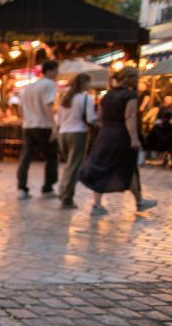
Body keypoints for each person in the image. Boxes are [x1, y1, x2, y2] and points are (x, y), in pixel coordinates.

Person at [78, 66, 158, 216]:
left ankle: (97, 204)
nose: (137, 80)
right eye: (135, 77)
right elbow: (130, 117)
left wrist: (108, 128)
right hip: (122, 135)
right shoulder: (130, 95)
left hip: (105, 135)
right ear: (129, 78)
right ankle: (139, 202)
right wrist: (134, 138)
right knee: (128, 167)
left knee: (102, 166)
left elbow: (99, 117)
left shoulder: (107, 95)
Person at [16, 60, 59, 199]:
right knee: (51, 157)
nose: (57, 73)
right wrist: (54, 126)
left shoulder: (29, 87)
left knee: (26, 157)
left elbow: (20, 107)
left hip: (29, 126)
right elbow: (48, 106)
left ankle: (22, 188)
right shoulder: (50, 84)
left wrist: (26, 119)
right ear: (50, 71)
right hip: (43, 126)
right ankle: (48, 188)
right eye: (56, 70)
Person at [56, 73, 96, 210]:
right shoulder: (86, 98)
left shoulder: (65, 97)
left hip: (63, 133)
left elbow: (59, 119)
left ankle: (62, 191)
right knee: (74, 167)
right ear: (84, 84)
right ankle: (67, 198)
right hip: (78, 133)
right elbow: (90, 118)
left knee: (69, 165)